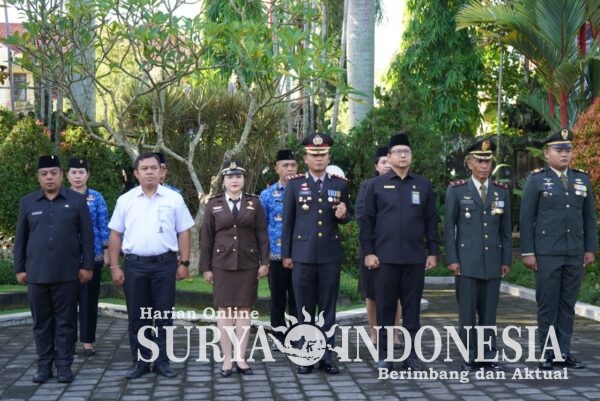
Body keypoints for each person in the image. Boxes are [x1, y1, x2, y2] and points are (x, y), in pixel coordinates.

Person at [108, 152, 194, 379]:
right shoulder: (125, 200)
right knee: (138, 317)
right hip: (134, 266)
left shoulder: (174, 199)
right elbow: (115, 234)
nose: (149, 172)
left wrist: (184, 262)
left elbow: (184, 231)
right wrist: (115, 267)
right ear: (136, 173)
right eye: (144, 169)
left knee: (164, 316)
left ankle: (163, 362)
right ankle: (141, 362)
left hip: (165, 265)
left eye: (154, 168)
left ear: (161, 171)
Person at [360, 132, 439, 371]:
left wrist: (432, 251)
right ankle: (385, 356)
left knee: (412, 309)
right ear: (389, 156)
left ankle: (411, 356)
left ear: (411, 156)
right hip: (385, 259)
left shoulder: (422, 185)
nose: (402, 155)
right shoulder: (376, 186)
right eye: (397, 152)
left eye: (406, 151)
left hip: (415, 258)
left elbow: (431, 221)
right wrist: (368, 252)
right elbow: (367, 222)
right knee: (385, 307)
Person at [520, 128, 597, 370]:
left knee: (567, 305)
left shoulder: (581, 179)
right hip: (547, 253)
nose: (565, 154)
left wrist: (589, 248)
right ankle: (546, 353)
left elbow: (588, 217)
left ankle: (563, 352)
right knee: (548, 304)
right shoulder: (536, 180)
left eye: (568, 150)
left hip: (574, 251)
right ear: (547, 153)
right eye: (559, 149)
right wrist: (528, 252)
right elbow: (526, 219)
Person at [13, 155, 95, 383]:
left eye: (53, 173)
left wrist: (87, 266)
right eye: (44, 174)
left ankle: (64, 366)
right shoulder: (28, 202)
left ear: (61, 175)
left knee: (66, 322)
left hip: (67, 273)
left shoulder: (76, 201)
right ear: (38, 177)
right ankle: (44, 366)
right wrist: (19, 268)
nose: (49, 177)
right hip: (36, 274)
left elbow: (87, 237)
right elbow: (20, 239)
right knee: (41, 323)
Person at [281, 133, 350, 375]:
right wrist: (286, 255)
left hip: (330, 255)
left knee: (328, 310)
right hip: (303, 256)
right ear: (306, 158)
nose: (319, 159)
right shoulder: (294, 185)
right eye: (314, 155)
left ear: (329, 157)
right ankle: (306, 356)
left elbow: (346, 215)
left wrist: (343, 215)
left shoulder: (340, 184)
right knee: (305, 309)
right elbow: (288, 223)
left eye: (323, 155)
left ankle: (327, 357)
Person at [444, 138, 511, 372]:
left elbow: (505, 231)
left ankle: (487, 355)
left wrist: (505, 259)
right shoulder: (457, 190)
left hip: (492, 261)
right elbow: (449, 227)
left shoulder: (501, 191)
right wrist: (452, 259)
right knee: (467, 314)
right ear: (469, 163)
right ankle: (469, 356)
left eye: (488, 161)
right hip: (466, 262)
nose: (484, 166)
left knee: (489, 312)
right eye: (479, 161)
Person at [200, 160, 270, 377]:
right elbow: (206, 238)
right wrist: (206, 267)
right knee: (225, 312)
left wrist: (265, 262)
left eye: (238, 176)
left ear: (243, 179)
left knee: (243, 311)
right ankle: (227, 359)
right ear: (224, 180)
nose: (234, 180)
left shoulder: (254, 203)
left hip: (247, 264)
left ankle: (241, 358)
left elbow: (262, 234)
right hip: (221, 265)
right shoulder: (214, 204)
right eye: (230, 177)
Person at [355, 147, 402, 346]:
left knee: (397, 293)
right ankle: (374, 333)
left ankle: (395, 333)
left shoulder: (402, 184)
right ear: (376, 166)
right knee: (372, 293)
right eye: (383, 162)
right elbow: (361, 215)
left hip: (396, 247)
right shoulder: (367, 186)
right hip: (372, 247)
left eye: (389, 161)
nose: (387, 165)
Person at [66, 157, 110, 357]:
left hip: (92, 256)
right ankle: (66, 341)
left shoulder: (96, 197)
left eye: (81, 172)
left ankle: (88, 341)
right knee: (66, 301)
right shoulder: (61, 196)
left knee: (89, 300)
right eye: (74, 172)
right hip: (66, 257)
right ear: (67, 175)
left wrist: (106, 250)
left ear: (87, 175)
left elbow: (103, 225)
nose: (78, 176)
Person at [259, 150, 298, 347]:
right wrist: (263, 258)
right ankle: (278, 336)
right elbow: (261, 227)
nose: (290, 169)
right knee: (278, 298)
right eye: (285, 165)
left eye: (293, 165)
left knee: (298, 298)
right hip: (275, 256)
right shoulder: (266, 195)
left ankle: (297, 336)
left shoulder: (304, 191)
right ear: (277, 169)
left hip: (300, 255)